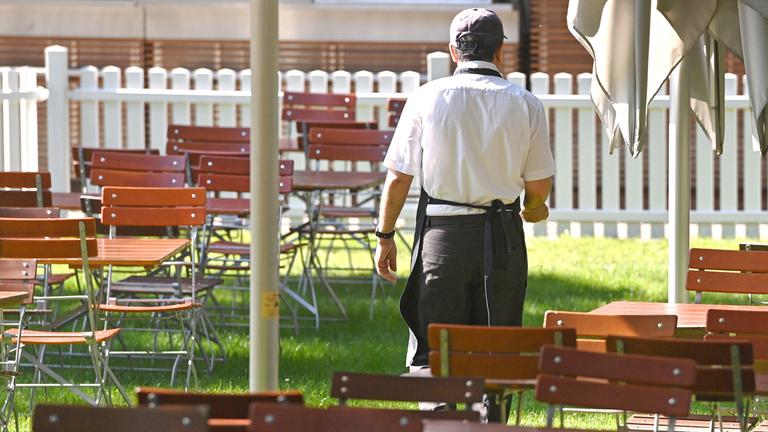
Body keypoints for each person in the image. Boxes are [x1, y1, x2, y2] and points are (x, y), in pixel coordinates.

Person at [374, 7, 555, 372]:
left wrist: (385, 236)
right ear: (500, 51)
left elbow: (398, 178)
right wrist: (535, 207)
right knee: (499, 347)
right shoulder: (526, 103)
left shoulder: (427, 97)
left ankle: (440, 421)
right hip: (503, 233)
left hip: (442, 236)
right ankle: (492, 425)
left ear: (455, 51)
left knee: (433, 349)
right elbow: (537, 189)